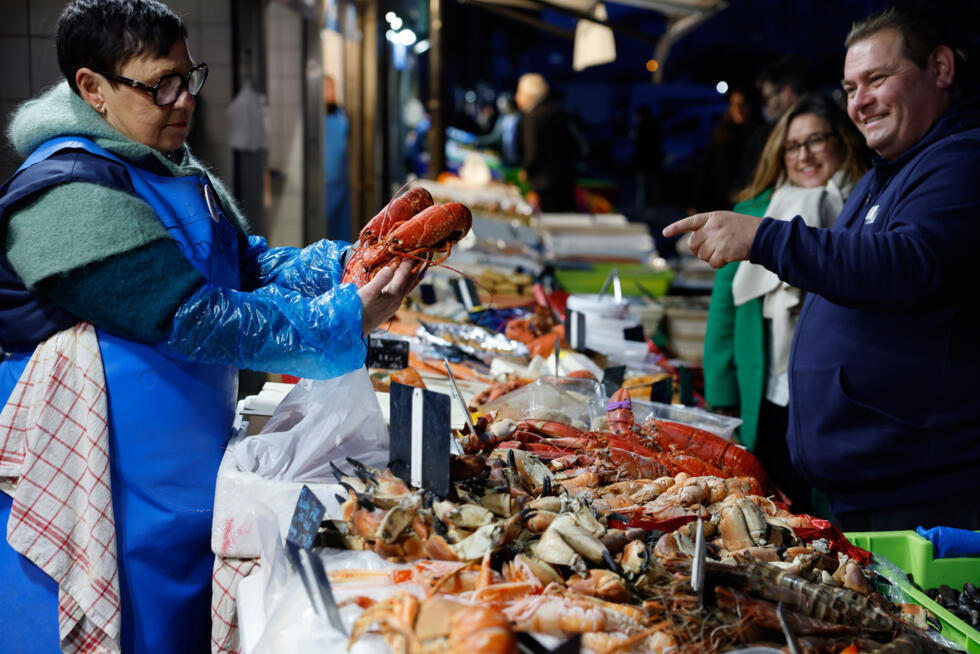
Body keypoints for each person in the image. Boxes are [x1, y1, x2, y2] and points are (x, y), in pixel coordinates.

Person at [0, 1, 419, 652]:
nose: (182, 100)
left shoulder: (166, 166)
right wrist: (341, 319)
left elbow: (243, 264)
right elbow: (190, 315)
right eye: (158, 84)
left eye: (187, 76)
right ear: (93, 89)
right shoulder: (67, 190)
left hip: (182, 478)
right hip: (102, 490)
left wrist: (348, 262)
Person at [664, 6, 980, 531]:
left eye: (877, 79)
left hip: (919, 489)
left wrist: (762, 236)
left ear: (941, 69)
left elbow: (907, 264)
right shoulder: (890, 172)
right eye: (851, 88)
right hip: (869, 483)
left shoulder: (961, 161)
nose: (860, 102)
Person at [703, 93, 869, 515]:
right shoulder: (752, 211)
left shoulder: (867, 209)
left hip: (842, 391)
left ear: (842, 142)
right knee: (776, 496)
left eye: (816, 140)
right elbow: (724, 309)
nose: (804, 155)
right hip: (767, 385)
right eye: (793, 146)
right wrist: (721, 393)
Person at [733, 55, 817, 191]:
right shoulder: (834, 123)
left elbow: (745, 188)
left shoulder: (765, 137)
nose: (767, 106)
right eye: (792, 148)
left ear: (787, 93)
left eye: (767, 98)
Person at [689, 85, 761, 214]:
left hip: (746, 202)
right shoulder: (722, 133)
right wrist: (696, 203)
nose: (738, 109)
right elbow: (706, 168)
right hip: (718, 201)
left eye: (742, 104)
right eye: (734, 104)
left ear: (751, 106)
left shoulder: (758, 135)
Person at [515, 73, 579, 212]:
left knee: (548, 222)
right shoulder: (558, 111)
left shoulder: (532, 117)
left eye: (519, 92)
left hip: (543, 183)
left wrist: (526, 169)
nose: (516, 97)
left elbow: (532, 150)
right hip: (565, 180)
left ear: (530, 96)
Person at [324, 73, 352, 241]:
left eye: (332, 87)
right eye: (326, 88)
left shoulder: (341, 115)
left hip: (340, 180)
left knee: (340, 228)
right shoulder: (313, 118)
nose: (330, 92)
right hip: (324, 182)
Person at [472, 92, 521, 167]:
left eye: (503, 103)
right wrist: (478, 141)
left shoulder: (521, 119)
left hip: (519, 160)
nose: (500, 107)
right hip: (504, 159)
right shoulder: (502, 119)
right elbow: (494, 137)